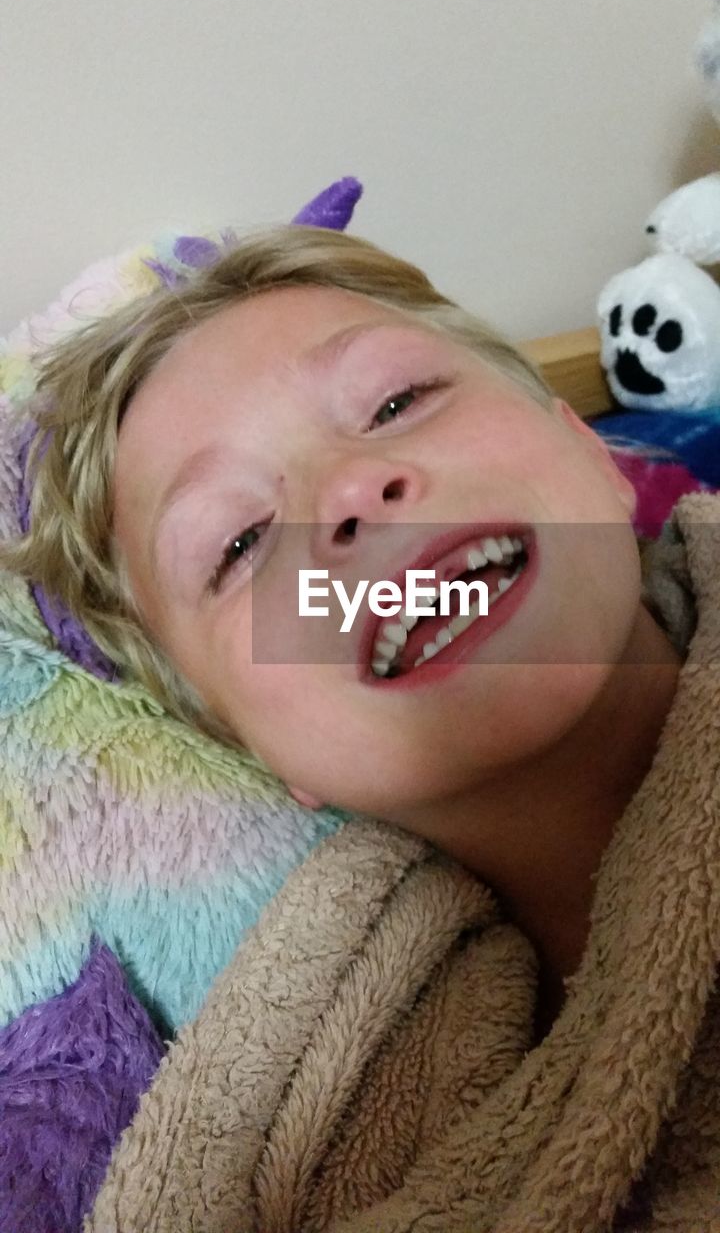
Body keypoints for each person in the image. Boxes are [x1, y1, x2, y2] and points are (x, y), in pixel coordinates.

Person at [4, 225, 719, 1231]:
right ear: (250, 744)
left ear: (592, 451)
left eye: (397, 401)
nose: (346, 492)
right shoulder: (320, 1123)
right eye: (241, 541)